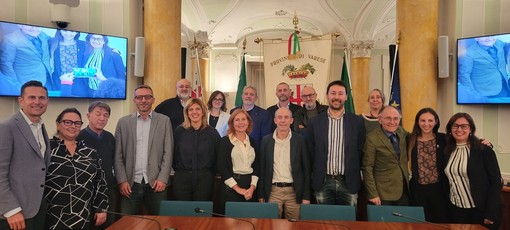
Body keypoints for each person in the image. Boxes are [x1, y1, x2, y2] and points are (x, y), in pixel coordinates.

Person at [45, 108, 108, 229]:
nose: (73, 126)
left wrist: (101, 208)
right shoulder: (46, 149)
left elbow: (100, 182)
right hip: (52, 215)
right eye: (68, 122)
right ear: (58, 125)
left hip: (82, 214)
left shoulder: (89, 152)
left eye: (77, 123)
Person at [114, 85, 173, 215]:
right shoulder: (123, 122)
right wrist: (122, 180)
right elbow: (117, 155)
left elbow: (168, 152)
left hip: (157, 183)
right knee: (127, 224)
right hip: (130, 184)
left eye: (147, 97)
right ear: (134, 100)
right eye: (139, 97)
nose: (143, 100)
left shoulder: (164, 121)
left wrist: (163, 178)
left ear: (153, 100)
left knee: (160, 223)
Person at [0, 81, 51, 230]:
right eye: (32, 97)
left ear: (48, 101)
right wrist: (11, 210)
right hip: (14, 214)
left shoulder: (40, 126)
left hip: (36, 209)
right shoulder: (7, 127)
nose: (37, 102)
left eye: (42, 98)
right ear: (21, 100)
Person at [307, 80, 365, 206]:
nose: (336, 97)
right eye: (333, 93)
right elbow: (311, 151)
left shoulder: (357, 122)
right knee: (324, 224)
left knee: (348, 223)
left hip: (349, 183)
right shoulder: (314, 122)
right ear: (327, 96)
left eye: (340, 93)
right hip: (323, 182)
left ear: (346, 97)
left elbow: (360, 151)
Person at [443, 112, 502, 229]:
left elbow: (496, 183)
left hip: (480, 210)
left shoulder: (483, 150)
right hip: (456, 210)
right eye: (455, 125)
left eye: (464, 126)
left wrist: (490, 213)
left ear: (471, 129)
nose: (459, 129)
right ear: (450, 129)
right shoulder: (447, 150)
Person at [258, 108, 310, 220]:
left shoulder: (300, 141)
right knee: (271, 225)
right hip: (273, 191)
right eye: (279, 117)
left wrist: (306, 196)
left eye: (286, 117)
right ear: (275, 120)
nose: (283, 120)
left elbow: (306, 170)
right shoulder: (266, 141)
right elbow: (262, 170)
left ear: (291, 120)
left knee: (294, 226)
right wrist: (261, 194)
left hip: (294, 193)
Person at [77, 101, 118, 229]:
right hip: (86, 191)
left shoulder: (110, 137)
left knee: (109, 225)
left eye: (106, 115)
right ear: (88, 116)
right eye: (98, 114)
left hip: (107, 189)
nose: (102, 118)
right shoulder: (78, 137)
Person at [173, 98, 221, 201]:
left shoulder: (212, 132)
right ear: (186, 113)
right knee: (180, 215)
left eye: (198, 109)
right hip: (182, 179)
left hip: (204, 180)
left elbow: (218, 156)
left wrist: (209, 174)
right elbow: (173, 155)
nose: (194, 112)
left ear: (203, 112)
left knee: (201, 214)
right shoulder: (179, 131)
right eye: (191, 109)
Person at [407, 108, 450, 222]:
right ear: (417, 122)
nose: (426, 124)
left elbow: (464, 139)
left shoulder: (444, 138)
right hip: (417, 190)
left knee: (440, 222)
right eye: (423, 120)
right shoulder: (409, 139)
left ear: (436, 122)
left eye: (430, 120)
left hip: (439, 190)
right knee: (419, 223)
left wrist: (483, 141)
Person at [362, 106, 410, 206]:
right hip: (382, 194)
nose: (392, 122)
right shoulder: (372, 138)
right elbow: (367, 167)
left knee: (403, 221)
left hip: (403, 190)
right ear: (380, 120)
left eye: (395, 118)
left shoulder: (402, 132)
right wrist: (373, 194)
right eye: (388, 118)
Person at [217, 109, 259, 213]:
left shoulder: (253, 142)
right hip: (231, 187)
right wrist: (237, 188)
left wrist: (252, 187)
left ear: (248, 122)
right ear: (232, 123)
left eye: (243, 119)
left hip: (250, 188)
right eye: (237, 120)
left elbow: (257, 166)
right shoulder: (225, 141)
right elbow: (221, 166)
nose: (241, 122)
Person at [458, 36, 509, 102]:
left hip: (504, 89)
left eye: (492, 36)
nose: (490, 39)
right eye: (485, 37)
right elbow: (463, 75)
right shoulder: (469, 53)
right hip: (485, 94)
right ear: (476, 38)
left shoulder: (499, 43)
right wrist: (473, 95)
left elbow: (507, 46)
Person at [0, 25, 52, 90]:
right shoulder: (10, 40)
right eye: (30, 25)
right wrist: (15, 86)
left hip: (47, 81)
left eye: (38, 26)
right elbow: (5, 65)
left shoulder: (42, 35)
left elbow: (54, 42)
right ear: (20, 25)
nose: (34, 28)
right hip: (26, 85)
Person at [229, 86, 271, 153]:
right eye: (246, 94)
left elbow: (265, 138)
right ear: (242, 96)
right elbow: (231, 131)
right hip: (236, 151)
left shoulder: (264, 114)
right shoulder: (233, 112)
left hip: (256, 152)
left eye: (251, 94)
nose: (248, 96)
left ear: (256, 98)